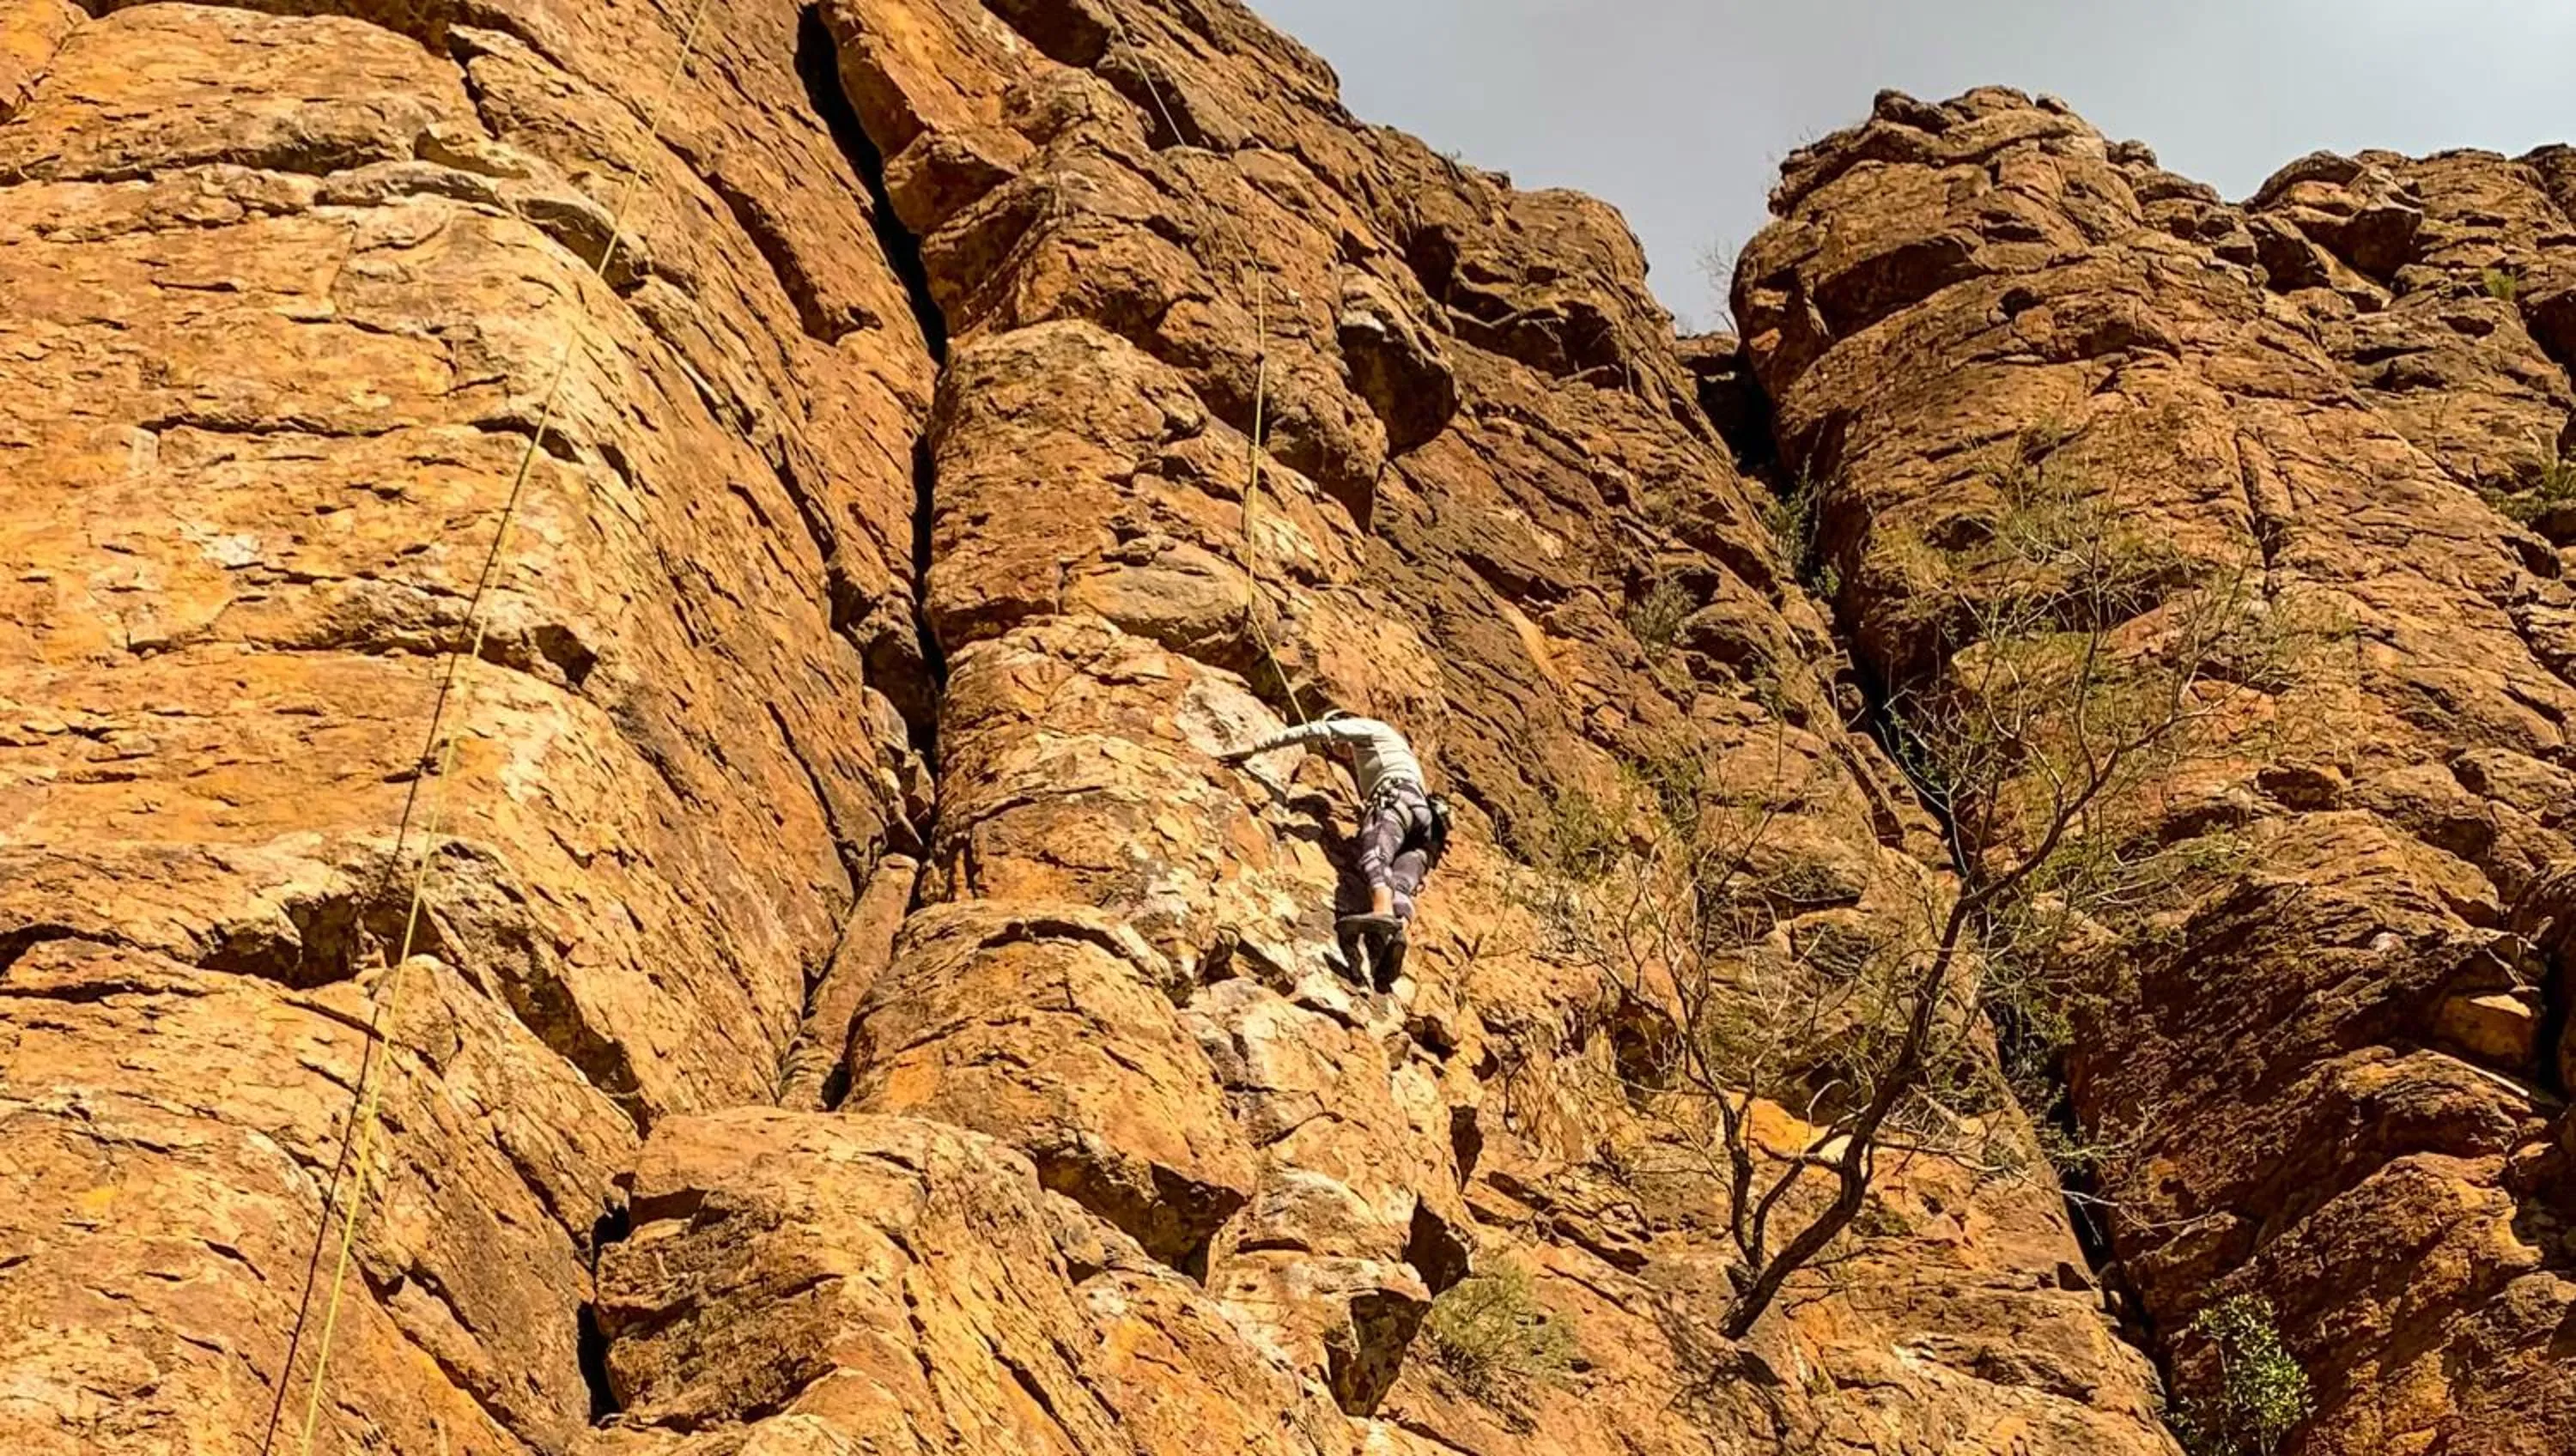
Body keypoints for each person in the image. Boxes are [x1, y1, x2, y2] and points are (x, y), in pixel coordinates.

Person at [1218, 710, 1448, 974]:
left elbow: (1314, 730)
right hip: (1428, 827)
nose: (1335, 749)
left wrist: (1254, 748)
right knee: (1402, 884)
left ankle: (1382, 913)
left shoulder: (1370, 728)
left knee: (1375, 856)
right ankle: (1397, 935)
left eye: (1336, 741)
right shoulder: (1397, 752)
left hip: (1397, 800)